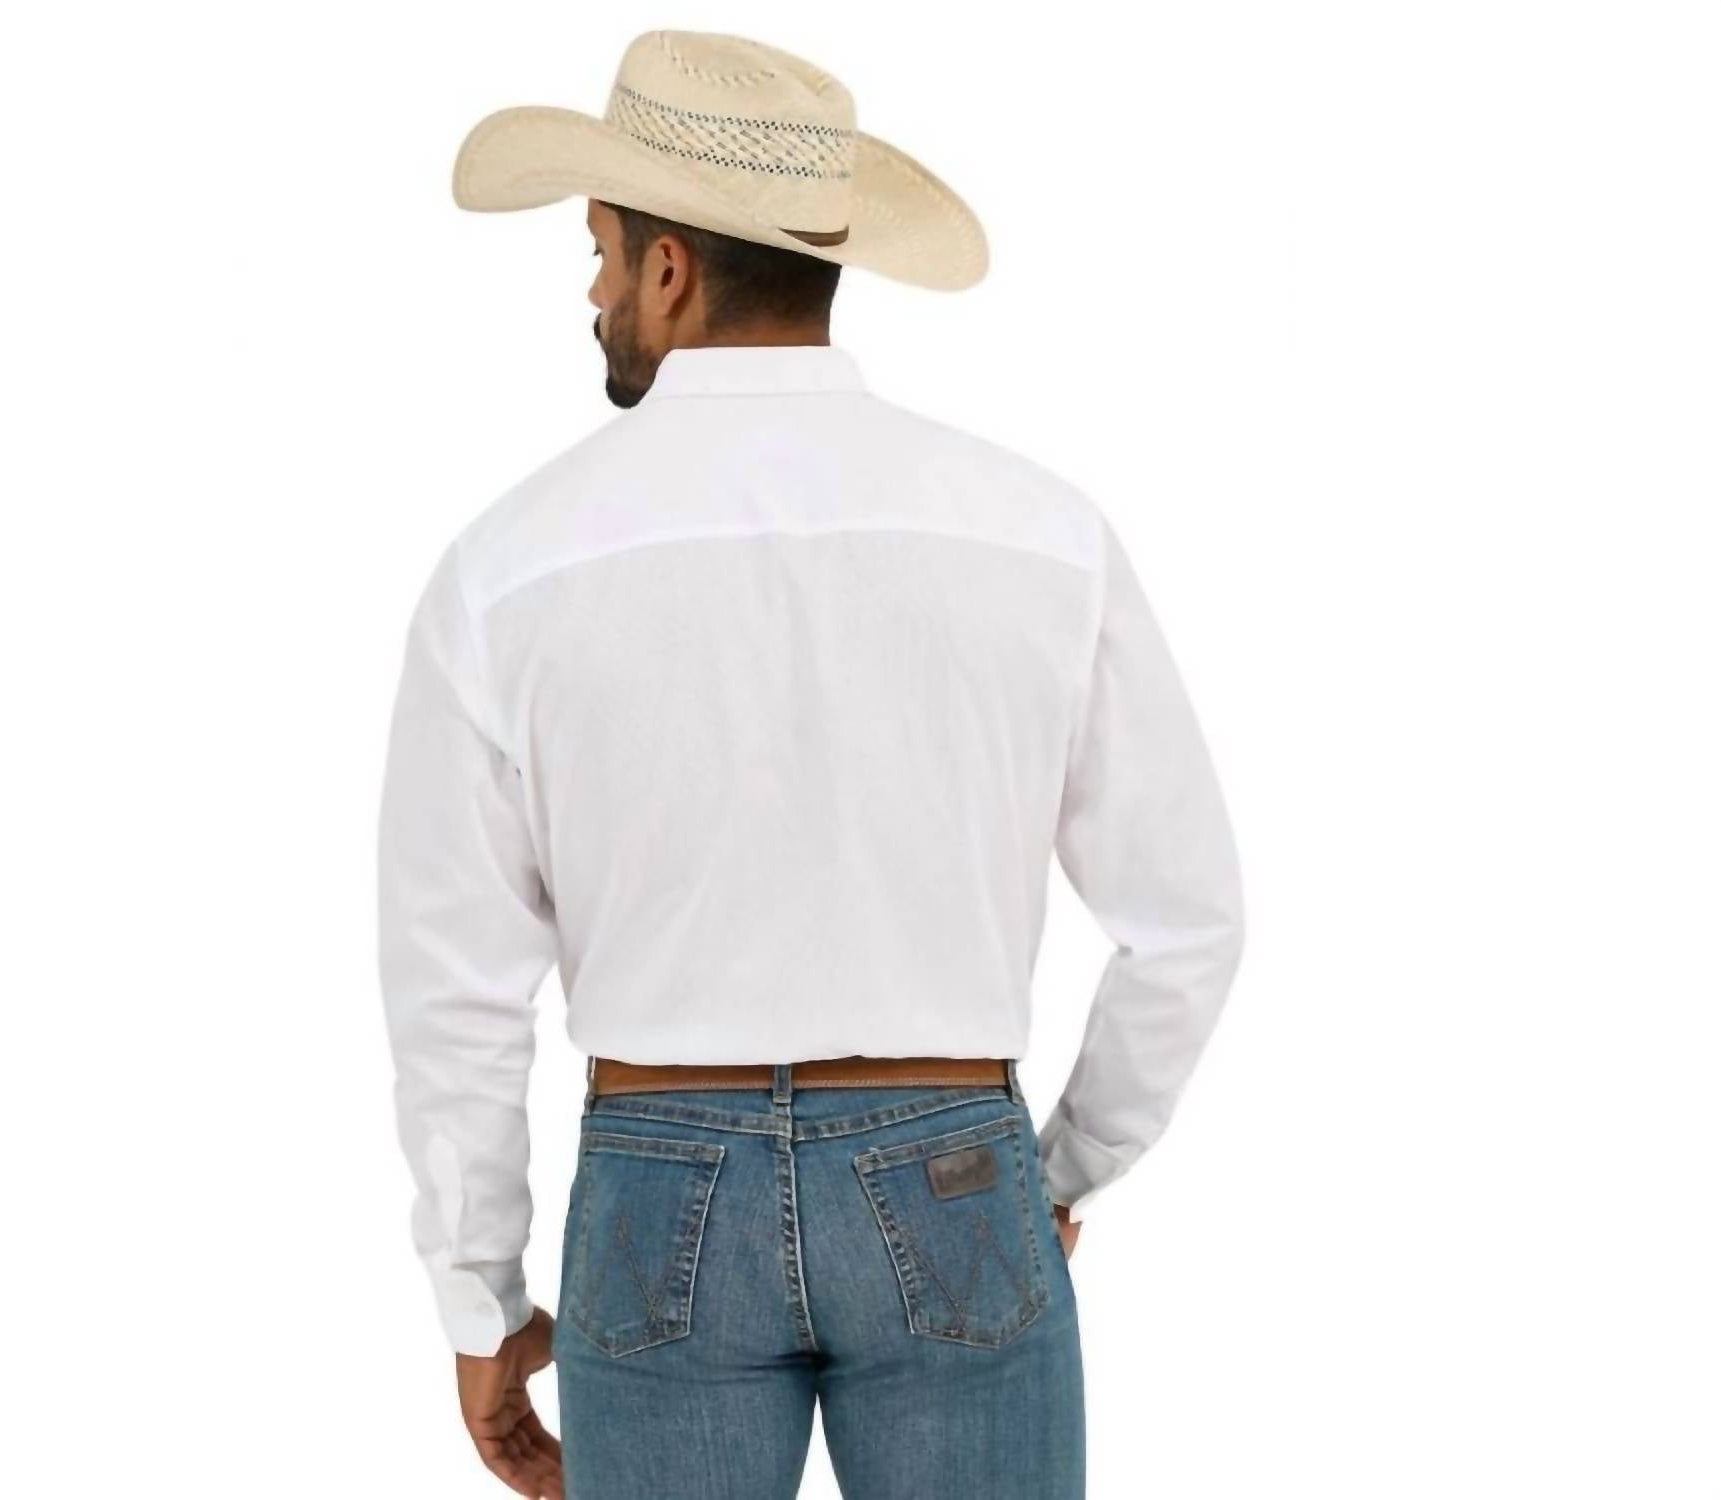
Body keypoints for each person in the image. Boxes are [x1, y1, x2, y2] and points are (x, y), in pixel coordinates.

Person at [375, 29, 1246, 1500]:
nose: (592, 294)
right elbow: (1189, 920)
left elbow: (452, 981)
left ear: (668, 269)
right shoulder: (1035, 534)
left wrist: (479, 1296)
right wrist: (1052, 1176)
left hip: (657, 1175)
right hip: (951, 1155)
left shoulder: (508, 567)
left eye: (597, 255)